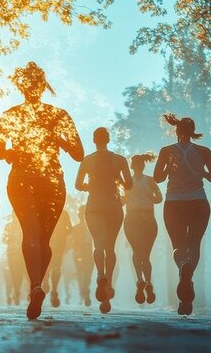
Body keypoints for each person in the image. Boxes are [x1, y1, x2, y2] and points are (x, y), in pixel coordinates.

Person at [0, 62, 84, 319]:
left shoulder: (10, 114)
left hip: (21, 179)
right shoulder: (59, 115)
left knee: (31, 235)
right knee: (43, 240)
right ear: (43, 86)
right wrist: (58, 140)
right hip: (52, 182)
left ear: (22, 86)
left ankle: (35, 287)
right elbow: (79, 154)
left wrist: (11, 153)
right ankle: (36, 287)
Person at [153, 113, 211, 316]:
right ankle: (188, 279)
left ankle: (183, 266)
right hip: (199, 203)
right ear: (192, 132)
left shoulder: (166, 151)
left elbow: (157, 177)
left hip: (174, 203)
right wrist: (202, 173)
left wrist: (170, 169)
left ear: (176, 131)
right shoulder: (204, 151)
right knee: (195, 243)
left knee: (178, 245)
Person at [75, 127, 132, 314]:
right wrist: (119, 180)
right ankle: (107, 287)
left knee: (98, 245)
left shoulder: (87, 160)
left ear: (94, 140)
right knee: (110, 247)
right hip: (113, 207)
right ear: (108, 139)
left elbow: (77, 185)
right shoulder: (120, 160)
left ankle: (100, 276)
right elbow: (129, 185)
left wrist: (88, 186)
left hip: (94, 207)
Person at [123, 152, 163, 305]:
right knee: (146, 255)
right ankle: (149, 282)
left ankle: (139, 279)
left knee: (136, 251)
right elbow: (159, 198)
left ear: (132, 167)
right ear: (144, 165)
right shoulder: (151, 181)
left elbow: (122, 200)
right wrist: (148, 198)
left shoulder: (127, 182)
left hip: (132, 219)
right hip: (148, 219)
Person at [44, 209, 73, 308]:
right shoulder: (64, 213)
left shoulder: (47, 211)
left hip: (49, 242)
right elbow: (70, 229)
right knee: (57, 265)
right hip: (60, 244)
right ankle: (54, 289)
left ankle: (46, 280)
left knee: (47, 262)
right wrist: (63, 232)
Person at [69, 205, 94, 307]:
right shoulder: (92, 227)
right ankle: (85, 289)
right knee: (87, 273)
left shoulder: (76, 228)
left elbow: (72, 242)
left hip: (80, 253)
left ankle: (83, 291)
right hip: (86, 252)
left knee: (81, 274)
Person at [3, 217, 28, 305]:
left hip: (15, 253)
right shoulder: (11, 226)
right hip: (15, 253)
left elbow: (4, 239)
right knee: (17, 272)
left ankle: (17, 291)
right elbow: (4, 239)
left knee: (17, 273)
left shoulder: (9, 226)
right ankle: (17, 291)